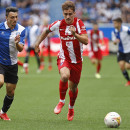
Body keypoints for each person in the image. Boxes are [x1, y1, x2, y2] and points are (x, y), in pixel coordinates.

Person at [35, 1, 88, 121]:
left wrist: (75, 34)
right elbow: (46, 31)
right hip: (64, 57)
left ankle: (71, 108)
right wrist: (37, 43)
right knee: (64, 76)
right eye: (65, 14)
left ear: (74, 13)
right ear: (63, 13)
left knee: (73, 88)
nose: (68, 17)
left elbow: (86, 41)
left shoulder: (79, 24)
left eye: (70, 14)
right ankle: (61, 101)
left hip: (77, 61)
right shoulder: (59, 24)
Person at [0, 7, 25, 120]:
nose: (15, 19)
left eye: (16, 17)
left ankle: (3, 112)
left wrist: (16, 43)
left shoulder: (21, 29)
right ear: (6, 18)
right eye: (12, 17)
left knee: (10, 91)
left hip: (13, 64)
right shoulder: (0, 27)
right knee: (0, 82)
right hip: (0, 62)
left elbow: (20, 49)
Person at [112, 16, 130, 86]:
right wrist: (115, 41)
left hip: (128, 50)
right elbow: (114, 42)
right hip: (121, 51)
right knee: (121, 67)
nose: (114, 25)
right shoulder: (114, 31)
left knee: (128, 67)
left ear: (119, 23)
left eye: (115, 23)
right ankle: (128, 81)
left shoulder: (126, 30)